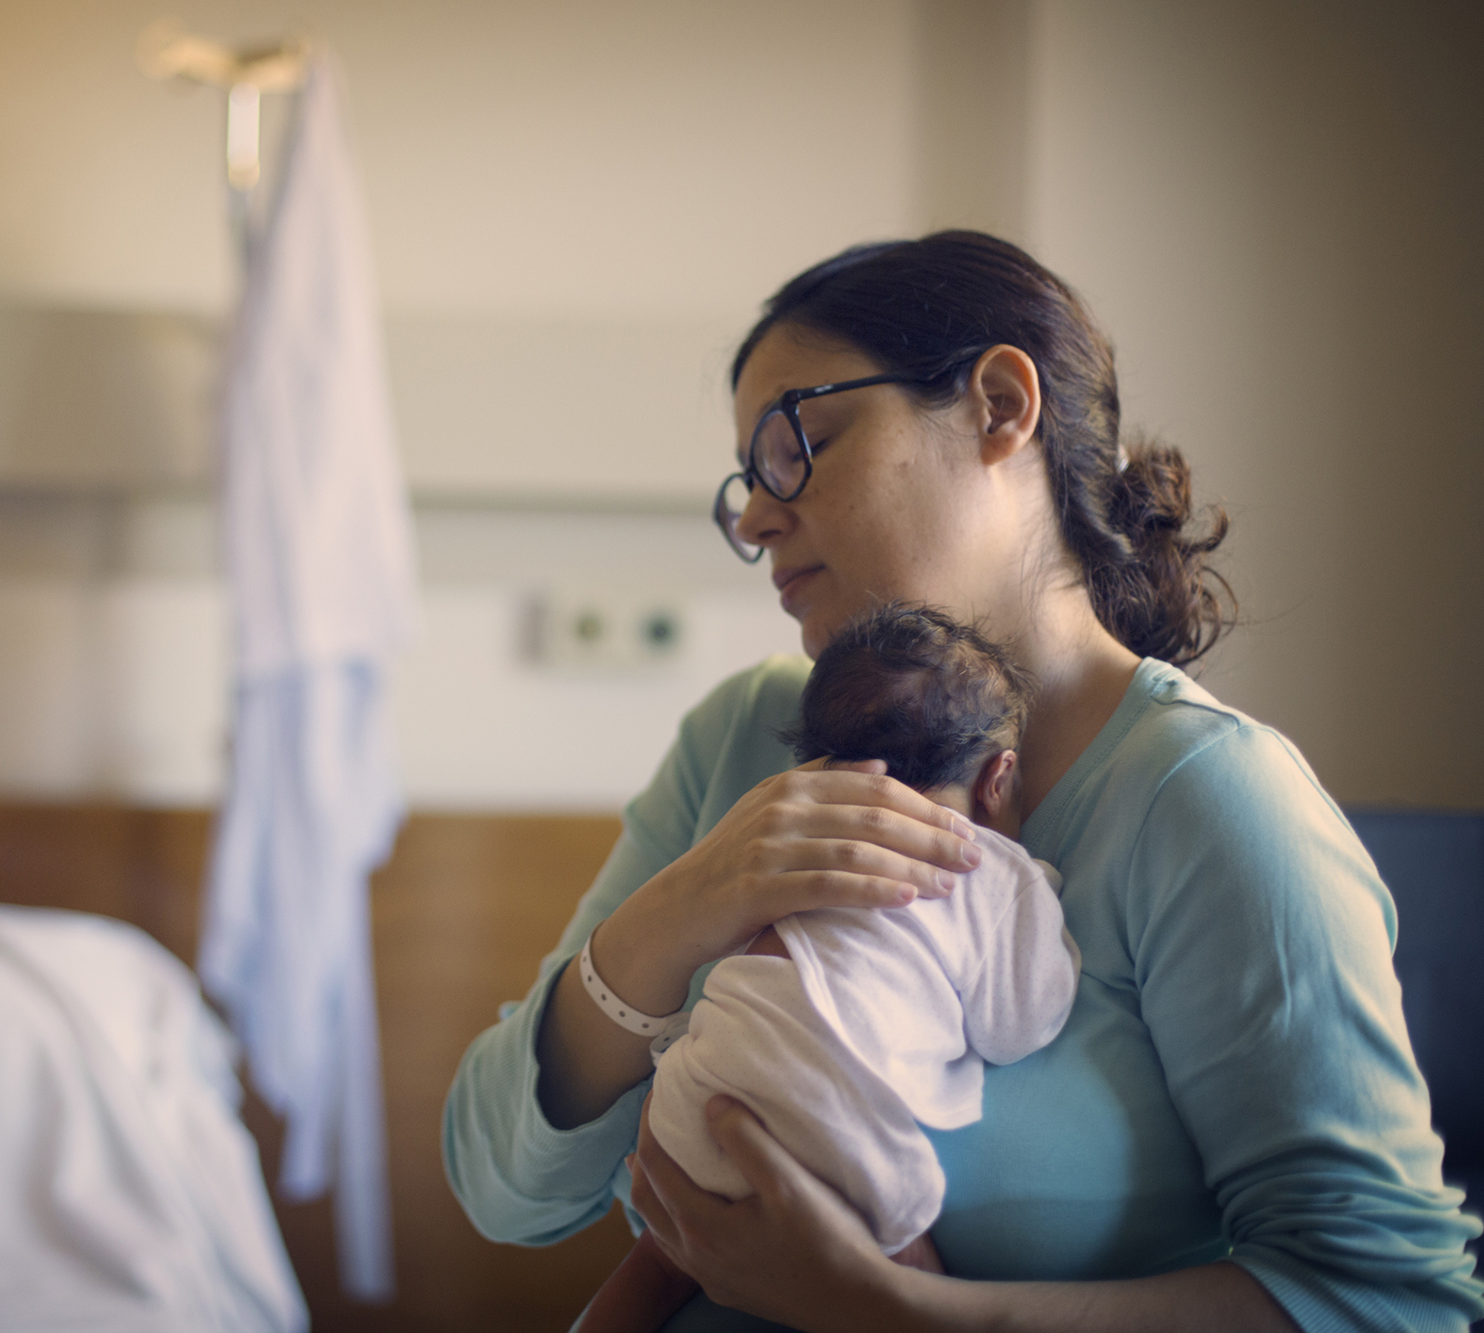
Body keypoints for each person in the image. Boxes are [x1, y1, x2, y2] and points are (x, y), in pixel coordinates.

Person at [441, 231, 1484, 1331]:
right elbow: (504, 1191)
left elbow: (1386, 1302)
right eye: (744, 480)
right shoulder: (744, 736)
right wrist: (681, 909)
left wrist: (890, 1310)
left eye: (796, 440)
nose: (752, 515)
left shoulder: (1210, 803)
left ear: (996, 403)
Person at [578, 602, 1081, 1333]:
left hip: (689, 1098)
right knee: (898, 1259)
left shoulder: (797, 836)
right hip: (828, 1116)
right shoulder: (992, 870)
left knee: (659, 1261)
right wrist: (1051, 908)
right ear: (998, 778)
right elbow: (1019, 1026)